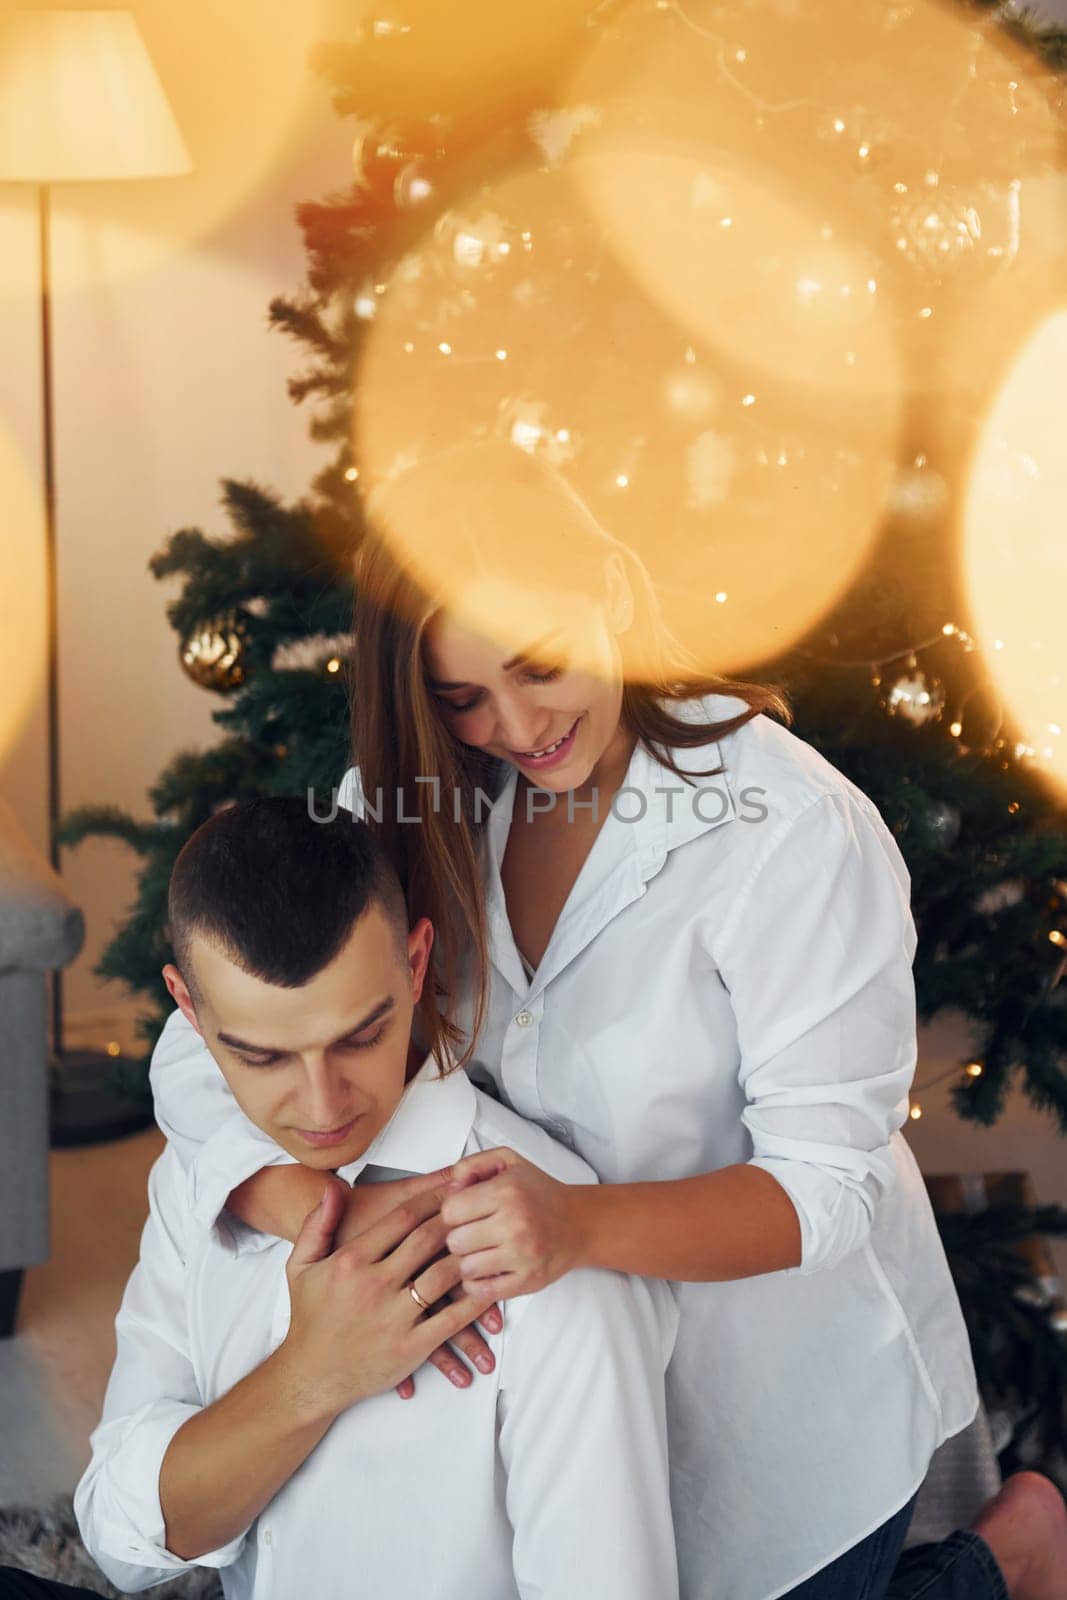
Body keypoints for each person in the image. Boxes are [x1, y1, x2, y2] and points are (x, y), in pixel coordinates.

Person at [145, 441, 1067, 1600]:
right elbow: (204, 1042)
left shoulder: (787, 832)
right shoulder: (410, 798)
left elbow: (824, 1191)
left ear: (615, 595)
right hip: (555, 1397)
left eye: (541, 664)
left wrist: (575, 1227)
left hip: (774, 1401)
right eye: (461, 693)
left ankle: (1013, 1550)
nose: (515, 724)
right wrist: (319, 1203)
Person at [53, 798, 678, 1600]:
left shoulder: (551, 1271)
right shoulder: (213, 1174)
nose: (320, 1109)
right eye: (262, 1057)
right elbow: (121, 1541)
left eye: (358, 1036)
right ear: (188, 1008)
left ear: (416, 967)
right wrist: (311, 1378)